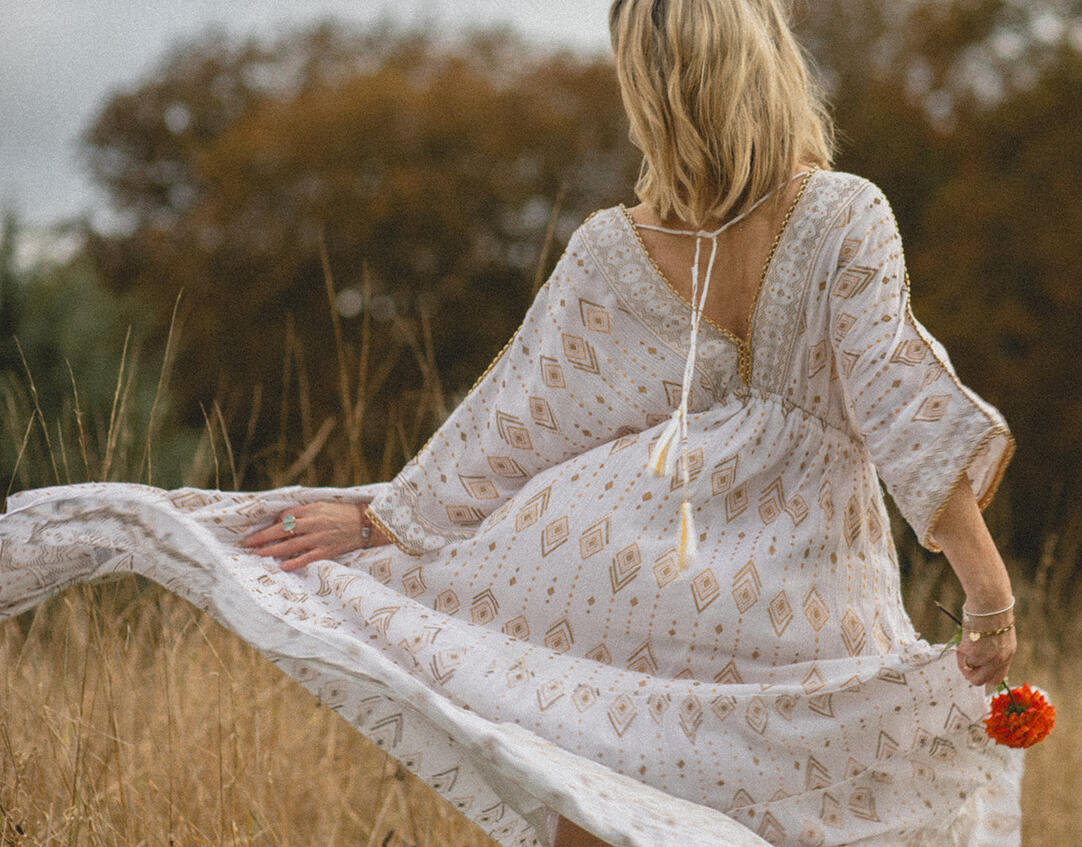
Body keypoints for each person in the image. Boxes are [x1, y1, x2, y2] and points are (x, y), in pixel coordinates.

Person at [0, 0, 1022, 844]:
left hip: (645, 580)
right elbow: (899, 406)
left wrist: (378, 523)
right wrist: (984, 592)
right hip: (804, 603)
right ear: (769, 60)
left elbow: (520, 421)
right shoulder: (848, 212)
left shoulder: (614, 247)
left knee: (600, 789)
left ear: (648, 89)